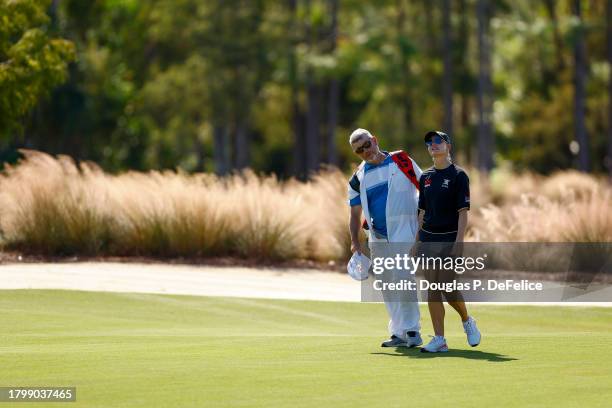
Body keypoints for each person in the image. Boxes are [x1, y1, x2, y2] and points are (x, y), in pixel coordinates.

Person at [347, 128, 423, 348]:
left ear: (374, 140)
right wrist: (354, 241)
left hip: (405, 231)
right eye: (359, 150)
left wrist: (422, 227)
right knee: (387, 285)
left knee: (403, 279)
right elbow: (354, 214)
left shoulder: (401, 160)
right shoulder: (357, 178)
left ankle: (412, 330)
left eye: (366, 145)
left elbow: (425, 189)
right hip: (377, 236)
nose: (365, 152)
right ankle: (398, 332)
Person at [417, 130, 481, 353]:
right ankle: (439, 339)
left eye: (437, 141)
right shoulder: (425, 177)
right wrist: (416, 241)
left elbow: (463, 212)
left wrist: (459, 242)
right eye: (429, 142)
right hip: (428, 238)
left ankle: (467, 320)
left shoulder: (459, 176)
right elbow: (422, 212)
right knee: (432, 288)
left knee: (447, 286)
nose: (432, 145)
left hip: (449, 238)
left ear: (448, 146)